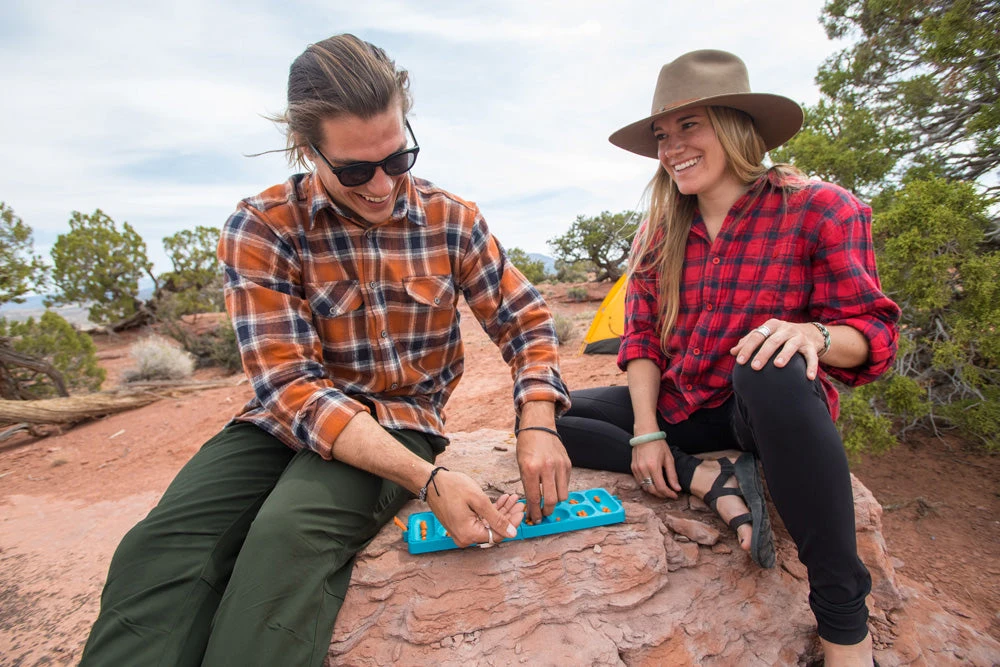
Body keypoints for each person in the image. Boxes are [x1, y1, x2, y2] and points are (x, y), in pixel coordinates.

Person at [80, 34, 572, 667]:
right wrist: (433, 484)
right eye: (355, 170)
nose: (383, 186)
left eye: (398, 159)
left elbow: (525, 321)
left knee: (286, 540)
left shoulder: (453, 219)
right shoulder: (262, 226)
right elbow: (291, 388)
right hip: (282, 422)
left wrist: (537, 421)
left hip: (400, 420)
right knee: (159, 550)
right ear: (305, 148)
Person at [553, 50, 899, 666]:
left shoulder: (819, 208)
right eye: (662, 133)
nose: (671, 147)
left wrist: (812, 334)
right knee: (548, 413)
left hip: (765, 410)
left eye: (690, 125)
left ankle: (846, 631)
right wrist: (646, 433)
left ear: (737, 125)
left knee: (764, 361)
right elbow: (641, 340)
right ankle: (709, 478)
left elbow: (873, 334)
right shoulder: (661, 227)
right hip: (684, 403)